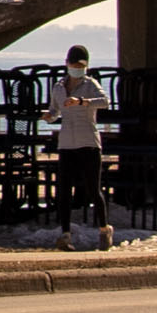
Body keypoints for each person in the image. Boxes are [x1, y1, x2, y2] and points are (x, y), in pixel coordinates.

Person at [44, 44, 113, 251]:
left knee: (93, 189)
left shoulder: (90, 84)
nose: (77, 68)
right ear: (66, 64)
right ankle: (65, 235)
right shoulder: (58, 87)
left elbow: (105, 102)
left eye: (81, 65)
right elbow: (55, 110)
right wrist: (49, 117)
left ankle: (104, 229)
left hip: (88, 142)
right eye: (74, 65)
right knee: (64, 190)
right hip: (66, 143)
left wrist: (82, 101)